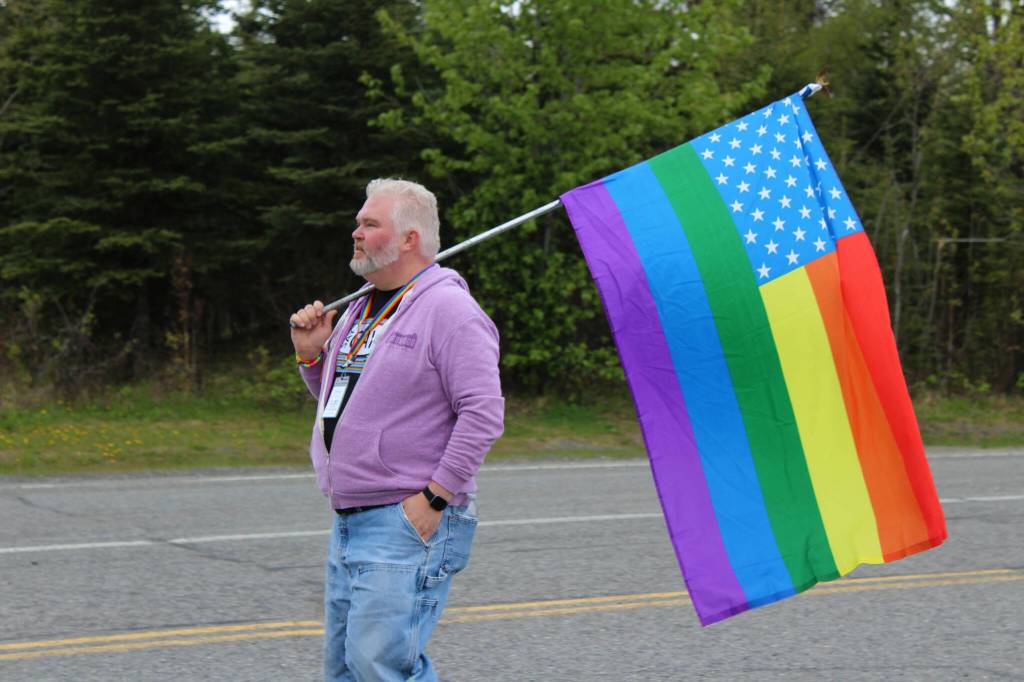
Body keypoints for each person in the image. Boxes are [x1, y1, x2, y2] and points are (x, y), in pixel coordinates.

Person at [289, 178, 504, 682]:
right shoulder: (361, 309)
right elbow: (345, 402)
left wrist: (433, 498)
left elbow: (483, 412)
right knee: (345, 670)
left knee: (380, 668)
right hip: (349, 518)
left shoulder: (449, 311)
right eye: (358, 223)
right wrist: (311, 354)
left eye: (370, 224)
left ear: (408, 238)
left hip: (405, 520)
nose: (355, 232)